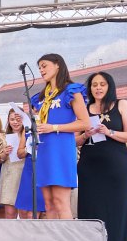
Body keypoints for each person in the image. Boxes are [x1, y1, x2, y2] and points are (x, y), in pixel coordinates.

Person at [76, 72, 127, 241]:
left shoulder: (121, 105)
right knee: (90, 207)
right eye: (94, 85)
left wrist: (108, 131)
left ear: (109, 86)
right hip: (89, 165)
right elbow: (74, 140)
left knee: (119, 206)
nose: (98, 88)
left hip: (116, 165)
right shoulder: (84, 109)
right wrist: (85, 135)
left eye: (102, 84)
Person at [31, 54, 89, 219]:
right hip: (44, 149)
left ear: (57, 65)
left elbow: (85, 123)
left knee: (61, 202)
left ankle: (67, 236)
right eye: (39, 68)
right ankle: (52, 236)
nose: (41, 70)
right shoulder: (40, 97)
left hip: (61, 148)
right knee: (48, 204)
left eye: (44, 66)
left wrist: (54, 127)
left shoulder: (71, 91)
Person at [0, 108, 25, 219]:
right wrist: (4, 153)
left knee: (25, 213)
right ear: (8, 120)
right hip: (9, 175)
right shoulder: (2, 137)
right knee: (10, 213)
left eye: (18, 119)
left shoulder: (29, 135)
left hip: (24, 174)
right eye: (12, 119)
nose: (15, 122)